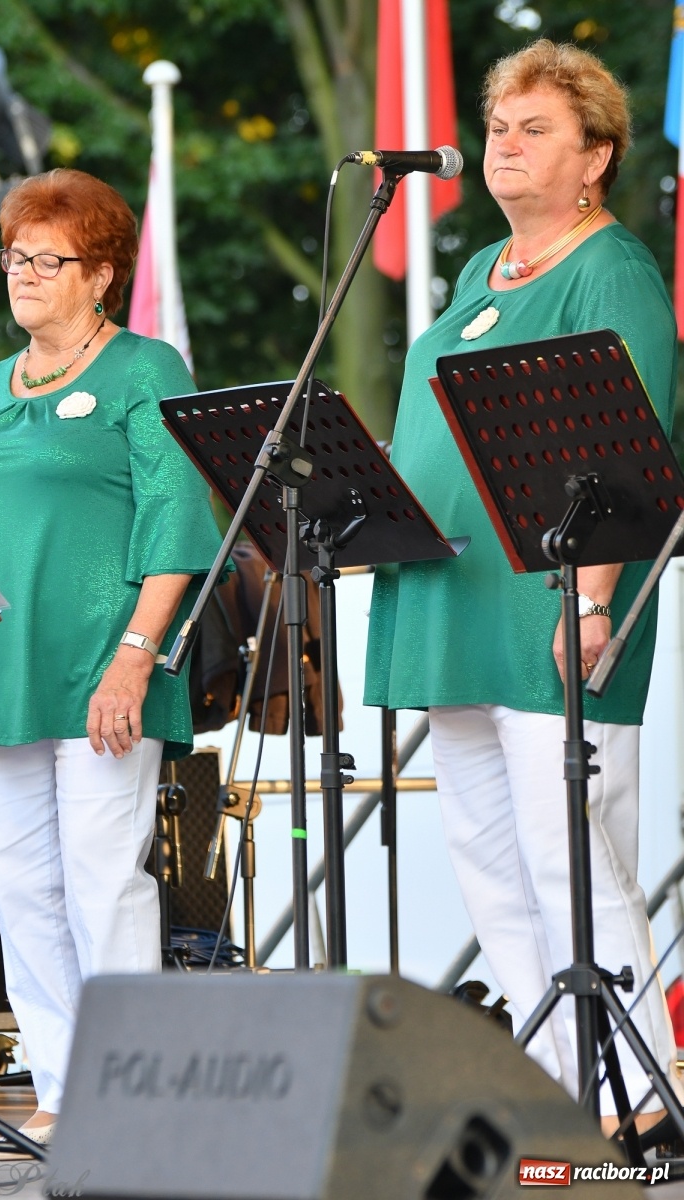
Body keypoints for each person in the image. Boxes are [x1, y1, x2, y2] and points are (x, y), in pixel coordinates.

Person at [364, 40, 682, 1135]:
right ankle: (555, 1093)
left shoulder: (613, 269)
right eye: (498, 126)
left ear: (594, 154)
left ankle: (638, 1096)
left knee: (570, 854)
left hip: (549, 601)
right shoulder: (471, 275)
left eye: (533, 128)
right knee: (487, 864)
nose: (503, 143)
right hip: (452, 597)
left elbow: (627, 452)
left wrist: (592, 600)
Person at [0, 169, 224, 1152]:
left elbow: (175, 518)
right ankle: (65, 1086)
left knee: (101, 881)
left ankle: (130, 1091)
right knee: (23, 887)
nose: (24, 274)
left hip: (99, 667)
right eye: (15, 256)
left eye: (49, 258)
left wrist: (133, 659)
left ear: (102, 274)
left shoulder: (143, 369)